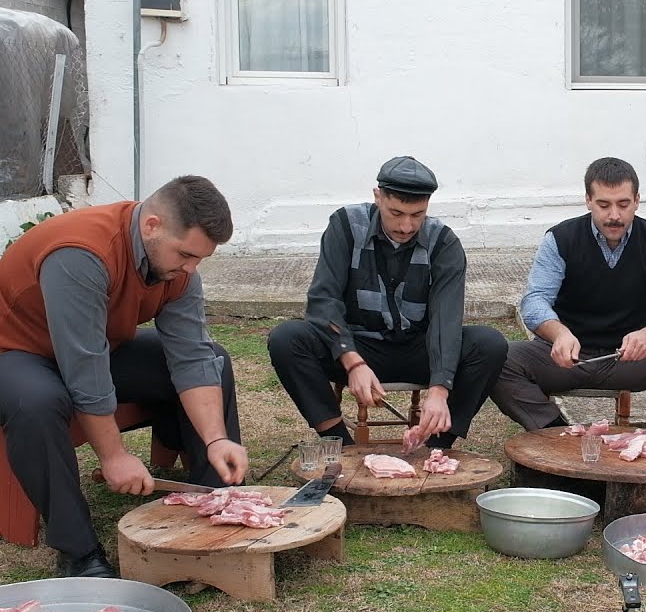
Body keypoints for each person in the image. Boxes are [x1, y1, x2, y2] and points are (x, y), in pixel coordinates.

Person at [0, 175, 248, 578]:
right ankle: (79, 552)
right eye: (186, 254)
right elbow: (85, 367)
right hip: (16, 351)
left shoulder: (178, 267)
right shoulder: (80, 252)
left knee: (213, 359)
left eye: (200, 259)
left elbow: (191, 356)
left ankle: (216, 501)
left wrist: (217, 438)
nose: (191, 268)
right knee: (37, 403)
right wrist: (113, 456)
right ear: (152, 225)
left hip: (98, 347)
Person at [268, 156, 508, 451]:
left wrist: (440, 388)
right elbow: (323, 301)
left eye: (417, 215)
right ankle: (342, 446)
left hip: (421, 351)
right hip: (359, 348)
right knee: (287, 338)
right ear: (377, 197)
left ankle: (435, 447)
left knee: (489, 343)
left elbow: (446, 319)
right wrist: (352, 361)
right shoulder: (345, 225)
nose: (406, 226)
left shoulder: (443, 242)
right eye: (396, 213)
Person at [490, 157, 646, 434]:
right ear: (588, 200)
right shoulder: (560, 239)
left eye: (623, 204)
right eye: (603, 205)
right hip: (567, 357)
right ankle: (555, 432)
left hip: (631, 358)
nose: (614, 215)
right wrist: (559, 334)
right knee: (496, 355)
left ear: (637, 200)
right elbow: (535, 300)